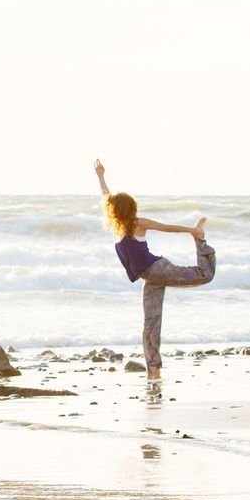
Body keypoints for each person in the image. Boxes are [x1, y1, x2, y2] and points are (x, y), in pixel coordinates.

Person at [93, 159, 215, 379]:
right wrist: (101, 176)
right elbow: (106, 197)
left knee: (205, 275)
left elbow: (166, 227)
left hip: (158, 269)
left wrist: (193, 231)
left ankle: (202, 242)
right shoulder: (117, 226)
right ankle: (153, 366)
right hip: (151, 278)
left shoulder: (138, 223)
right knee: (151, 321)